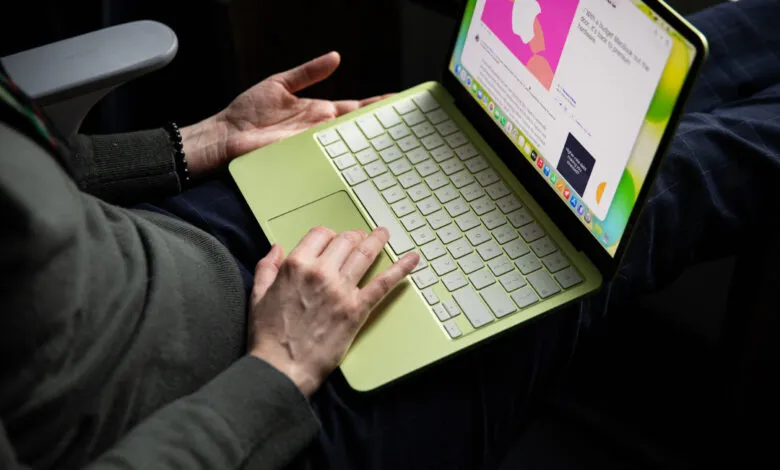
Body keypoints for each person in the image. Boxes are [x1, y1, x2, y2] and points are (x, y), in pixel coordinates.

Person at [1, 0, 779, 468]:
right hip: (249, 412)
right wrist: (281, 366)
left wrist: (196, 144)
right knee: (646, 198)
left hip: (164, 248)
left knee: (637, 107)